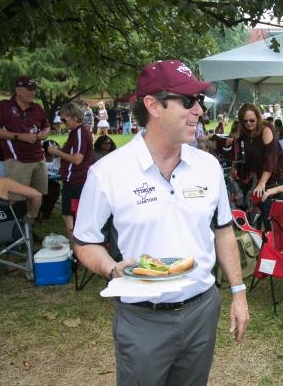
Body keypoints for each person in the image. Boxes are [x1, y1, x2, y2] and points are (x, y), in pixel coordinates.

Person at [72, 60, 249, 385]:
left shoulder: (208, 166)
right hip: (142, 318)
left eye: (199, 101)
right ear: (153, 105)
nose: (199, 110)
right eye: (187, 101)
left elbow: (224, 230)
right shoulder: (108, 172)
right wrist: (112, 268)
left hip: (202, 310)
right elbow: (84, 242)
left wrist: (238, 293)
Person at [0, 75, 49, 222]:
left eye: (34, 89)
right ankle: (12, 230)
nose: (32, 92)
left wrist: (44, 133)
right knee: (15, 198)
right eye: (29, 89)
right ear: (18, 90)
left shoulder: (37, 108)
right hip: (18, 160)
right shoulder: (4, 106)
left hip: (39, 158)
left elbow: (46, 126)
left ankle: (28, 226)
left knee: (36, 195)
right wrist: (18, 136)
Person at [232, 103, 283, 230]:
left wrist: (262, 182)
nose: (249, 124)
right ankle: (264, 235)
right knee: (257, 206)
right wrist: (235, 168)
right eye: (245, 121)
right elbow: (242, 154)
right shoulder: (244, 132)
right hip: (259, 177)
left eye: (252, 120)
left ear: (258, 118)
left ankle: (274, 239)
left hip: (276, 176)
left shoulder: (266, 130)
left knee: (269, 210)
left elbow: (271, 159)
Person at [46, 103, 94, 242]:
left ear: (74, 117)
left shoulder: (80, 132)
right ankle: (78, 247)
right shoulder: (76, 132)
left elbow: (77, 159)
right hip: (73, 179)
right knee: (71, 214)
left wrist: (56, 152)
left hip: (76, 180)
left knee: (70, 215)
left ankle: (77, 248)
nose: (62, 123)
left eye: (64, 120)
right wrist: (60, 150)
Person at [39, 139, 61, 221]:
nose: (54, 147)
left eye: (56, 146)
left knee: (54, 189)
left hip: (52, 182)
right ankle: (38, 212)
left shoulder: (58, 159)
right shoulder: (41, 157)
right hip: (40, 181)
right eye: (52, 146)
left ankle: (46, 214)